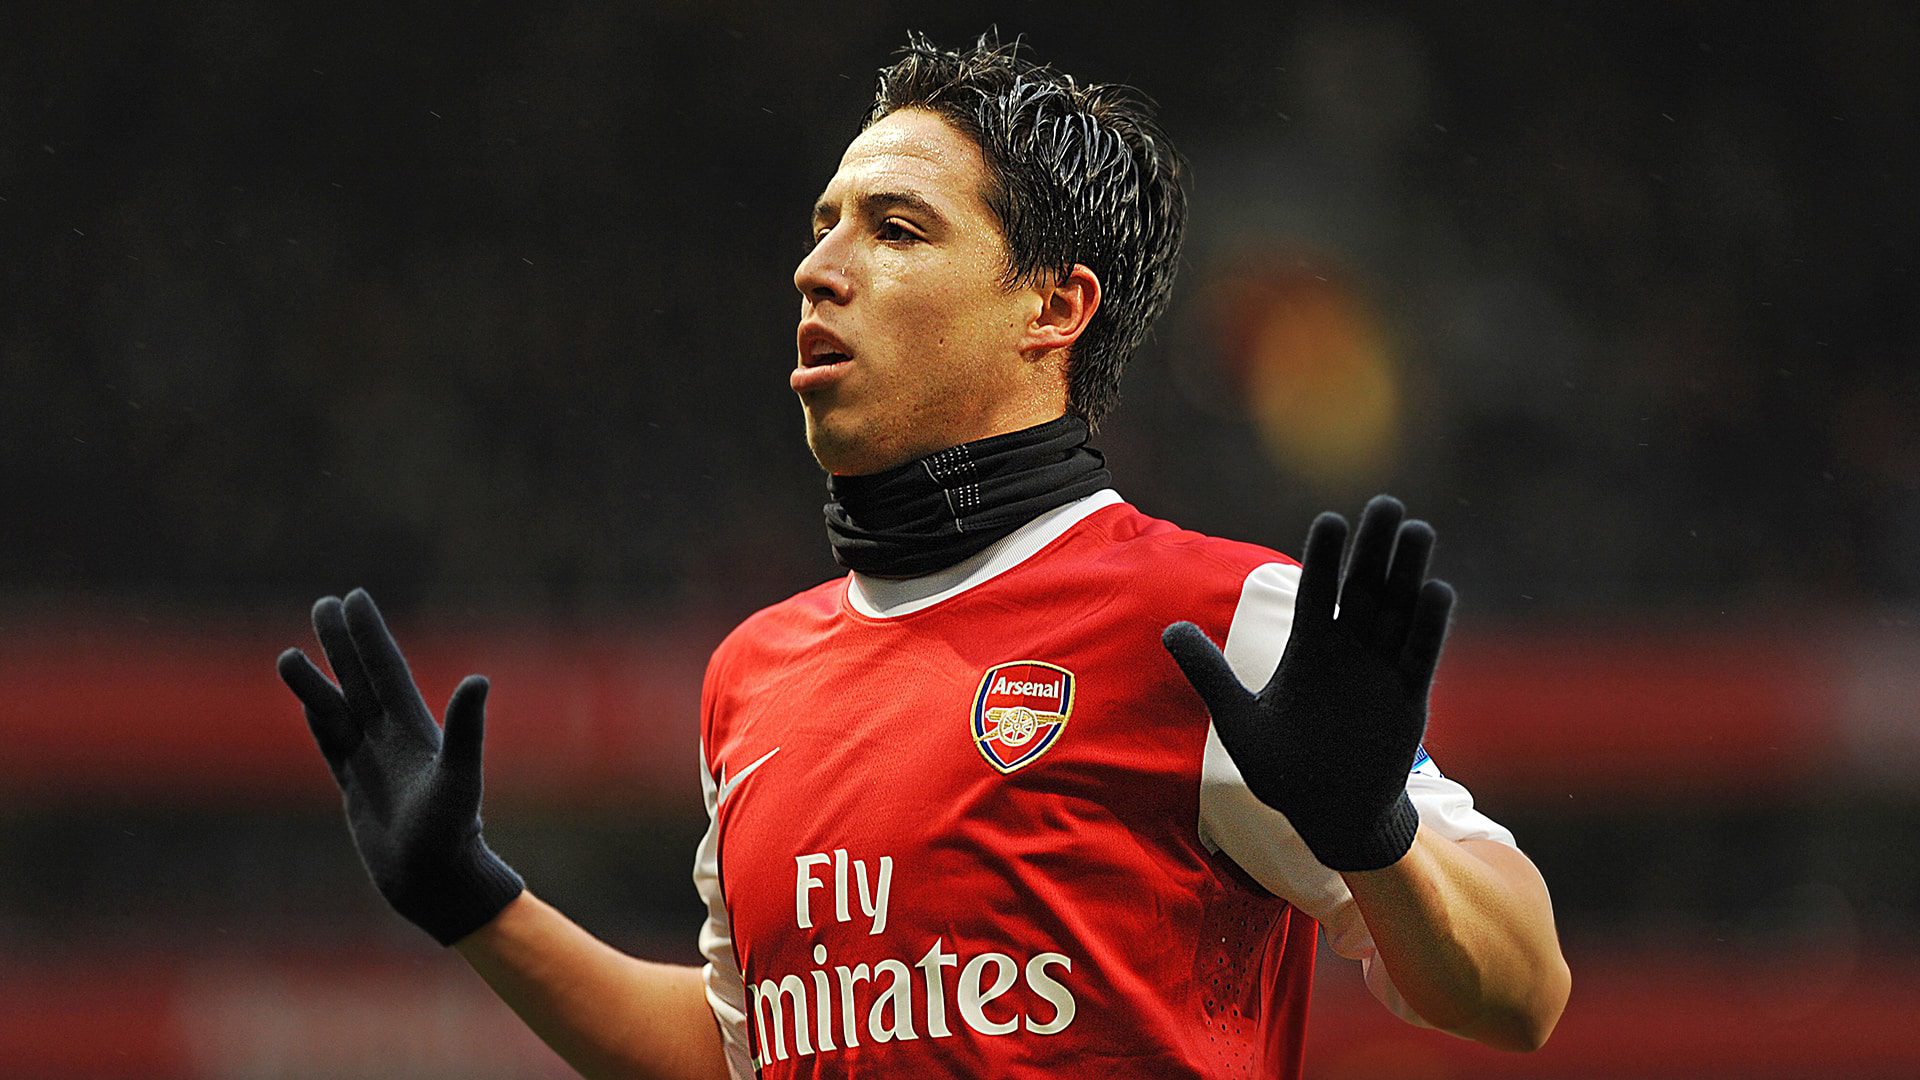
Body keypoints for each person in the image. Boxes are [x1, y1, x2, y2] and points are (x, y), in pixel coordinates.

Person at [278, 32, 1569, 1079]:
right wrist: (474, 902)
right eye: (824, 224)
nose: (817, 267)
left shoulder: (1215, 619)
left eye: (894, 230)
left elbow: (1526, 994)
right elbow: (749, 1056)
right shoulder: (753, 676)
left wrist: (1374, 833)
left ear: (1052, 308)